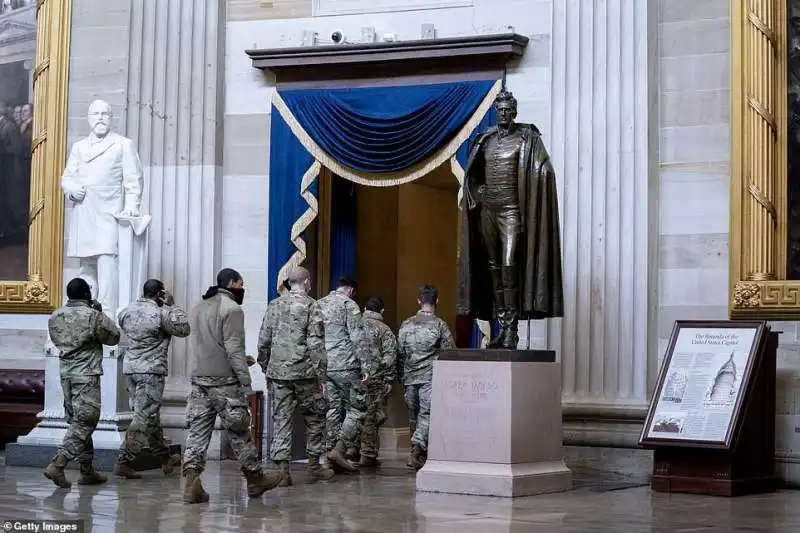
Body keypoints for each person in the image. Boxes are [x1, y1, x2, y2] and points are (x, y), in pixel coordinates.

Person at [458, 88, 563, 348]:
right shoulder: (486, 139)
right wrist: (478, 190)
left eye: (508, 110)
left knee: (509, 266)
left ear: (514, 112)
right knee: (493, 269)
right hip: (488, 211)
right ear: (496, 113)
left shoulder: (527, 139)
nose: (504, 114)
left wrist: (544, 172)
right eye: (500, 110)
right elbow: (473, 175)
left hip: (511, 211)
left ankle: (512, 329)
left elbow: (543, 166)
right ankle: (503, 328)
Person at [182, 268, 282, 504]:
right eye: (241, 283)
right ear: (232, 283)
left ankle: (191, 484)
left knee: (197, 433)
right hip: (225, 383)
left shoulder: (198, 306)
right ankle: (255, 479)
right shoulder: (232, 309)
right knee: (239, 432)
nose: (242, 288)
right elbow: (233, 348)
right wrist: (246, 382)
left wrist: (238, 359)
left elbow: (210, 344)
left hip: (200, 379)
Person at [61, 100, 144, 317]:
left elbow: (133, 179)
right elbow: (67, 177)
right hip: (84, 211)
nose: (100, 118)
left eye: (104, 114)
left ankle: (106, 315)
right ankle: (83, 312)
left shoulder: (123, 144)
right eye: (95, 114)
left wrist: (132, 205)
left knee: (107, 264)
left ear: (111, 117)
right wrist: (72, 189)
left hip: (109, 212)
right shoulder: (79, 147)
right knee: (86, 266)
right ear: (89, 118)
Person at [257, 266, 334, 485]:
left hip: (279, 373)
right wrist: (322, 376)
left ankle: (282, 471)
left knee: (281, 418)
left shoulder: (274, 305)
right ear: (307, 282)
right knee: (316, 416)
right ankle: (314, 466)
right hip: (305, 373)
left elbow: (264, 341)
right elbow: (316, 343)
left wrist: (266, 368)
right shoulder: (312, 306)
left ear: (289, 283)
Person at [43, 278, 121, 488]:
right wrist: (100, 312)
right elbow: (114, 337)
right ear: (87, 295)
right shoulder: (92, 316)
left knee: (78, 421)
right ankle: (58, 465)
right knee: (86, 421)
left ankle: (87, 471)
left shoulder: (55, 315)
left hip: (66, 374)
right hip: (86, 375)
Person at [114, 279, 190, 479]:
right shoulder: (161, 313)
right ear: (160, 294)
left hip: (130, 369)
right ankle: (125, 460)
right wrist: (172, 305)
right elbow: (183, 329)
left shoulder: (125, 312)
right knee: (144, 416)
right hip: (151, 371)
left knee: (150, 415)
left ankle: (164, 458)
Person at [315, 276, 373, 472]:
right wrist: (366, 366)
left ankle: (328, 455)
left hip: (325, 365)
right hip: (346, 366)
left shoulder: (319, 304)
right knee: (358, 408)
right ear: (351, 291)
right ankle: (338, 450)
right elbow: (358, 337)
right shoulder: (350, 305)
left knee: (331, 410)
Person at [397, 284, 455, 470]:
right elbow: (449, 353)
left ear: (419, 301)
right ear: (437, 301)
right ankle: (416, 451)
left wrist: (401, 378)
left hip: (409, 378)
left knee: (414, 417)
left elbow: (399, 353)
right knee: (426, 415)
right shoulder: (440, 325)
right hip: (430, 378)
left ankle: (416, 451)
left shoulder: (406, 324)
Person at [358, 296, 397, 467]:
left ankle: (350, 450)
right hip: (375, 379)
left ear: (364, 308)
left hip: (353, 377)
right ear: (381, 311)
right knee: (372, 416)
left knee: (354, 414)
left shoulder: (354, 325)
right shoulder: (385, 330)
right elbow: (390, 356)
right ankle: (367, 454)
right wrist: (388, 378)